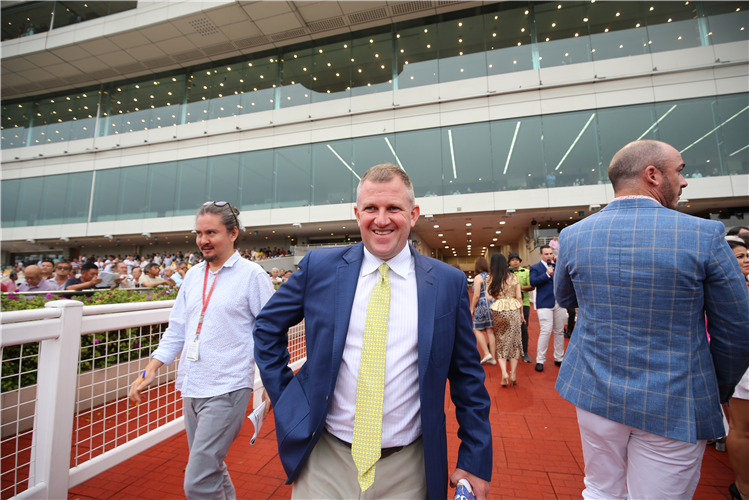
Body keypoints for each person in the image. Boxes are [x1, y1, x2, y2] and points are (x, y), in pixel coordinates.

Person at [253, 163, 492, 500]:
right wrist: (287, 398)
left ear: (413, 215)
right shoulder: (319, 269)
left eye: (393, 208)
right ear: (357, 213)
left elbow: (468, 377)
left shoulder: (447, 283)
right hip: (324, 459)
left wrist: (475, 460)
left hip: (409, 468)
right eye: (371, 209)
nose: (381, 219)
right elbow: (266, 327)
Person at [554, 140, 749, 500]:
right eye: (680, 170)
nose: (684, 180)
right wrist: (714, 389)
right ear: (653, 175)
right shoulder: (705, 235)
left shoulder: (574, 235)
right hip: (674, 398)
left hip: (594, 390)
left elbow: (565, 299)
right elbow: (737, 329)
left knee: (599, 489)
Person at [128, 201, 274, 500]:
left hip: (228, 388)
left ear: (233, 233)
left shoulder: (252, 275)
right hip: (191, 386)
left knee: (197, 481)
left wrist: (272, 382)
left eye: (212, 232)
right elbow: (178, 329)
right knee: (211, 468)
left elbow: (271, 332)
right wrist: (151, 368)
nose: (203, 240)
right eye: (199, 233)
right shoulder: (193, 275)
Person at [726, 236, 749, 500]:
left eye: (746, 255)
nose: (746, 260)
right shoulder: (728, 287)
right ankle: (743, 488)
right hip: (739, 359)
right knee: (741, 426)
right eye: (739, 256)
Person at [487, 253, 524, 387]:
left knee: (501, 340)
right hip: (513, 309)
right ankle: (513, 373)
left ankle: (504, 373)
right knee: (514, 342)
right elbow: (519, 297)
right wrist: (522, 314)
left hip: (498, 310)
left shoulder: (491, 278)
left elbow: (489, 297)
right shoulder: (514, 277)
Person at [529, 245, 566, 372]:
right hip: (544, 304)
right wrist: (546, 274)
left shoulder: (558, 265)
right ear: (541, 254)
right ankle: (540, 360)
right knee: (545, 331)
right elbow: (533, 282)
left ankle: (559, 358)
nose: (549, 256)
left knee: (559, 331)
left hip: (560, 302)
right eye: (546, 254)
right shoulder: (535, 268)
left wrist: (559, 262)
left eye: (551, 253)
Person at [470, 257, 496, 365]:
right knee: (490, 330)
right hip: (492, 304)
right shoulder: (491, 277)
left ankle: (486, 353)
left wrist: (472, 308)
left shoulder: (478, 278)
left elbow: (476, 295)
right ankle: (493, 358)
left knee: (476, 328)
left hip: (482, 304)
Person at [508, 252, 533, 363]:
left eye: (517, 259)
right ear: (509, 262)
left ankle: (524, 352)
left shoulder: (526, 272)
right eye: (512, 259)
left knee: (523, 328)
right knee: (509, 328)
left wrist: (519, 288)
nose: (515, 261)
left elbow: (531, 286)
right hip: (508, 304)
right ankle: (509, 351)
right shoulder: (505, 273)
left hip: (524, 303)